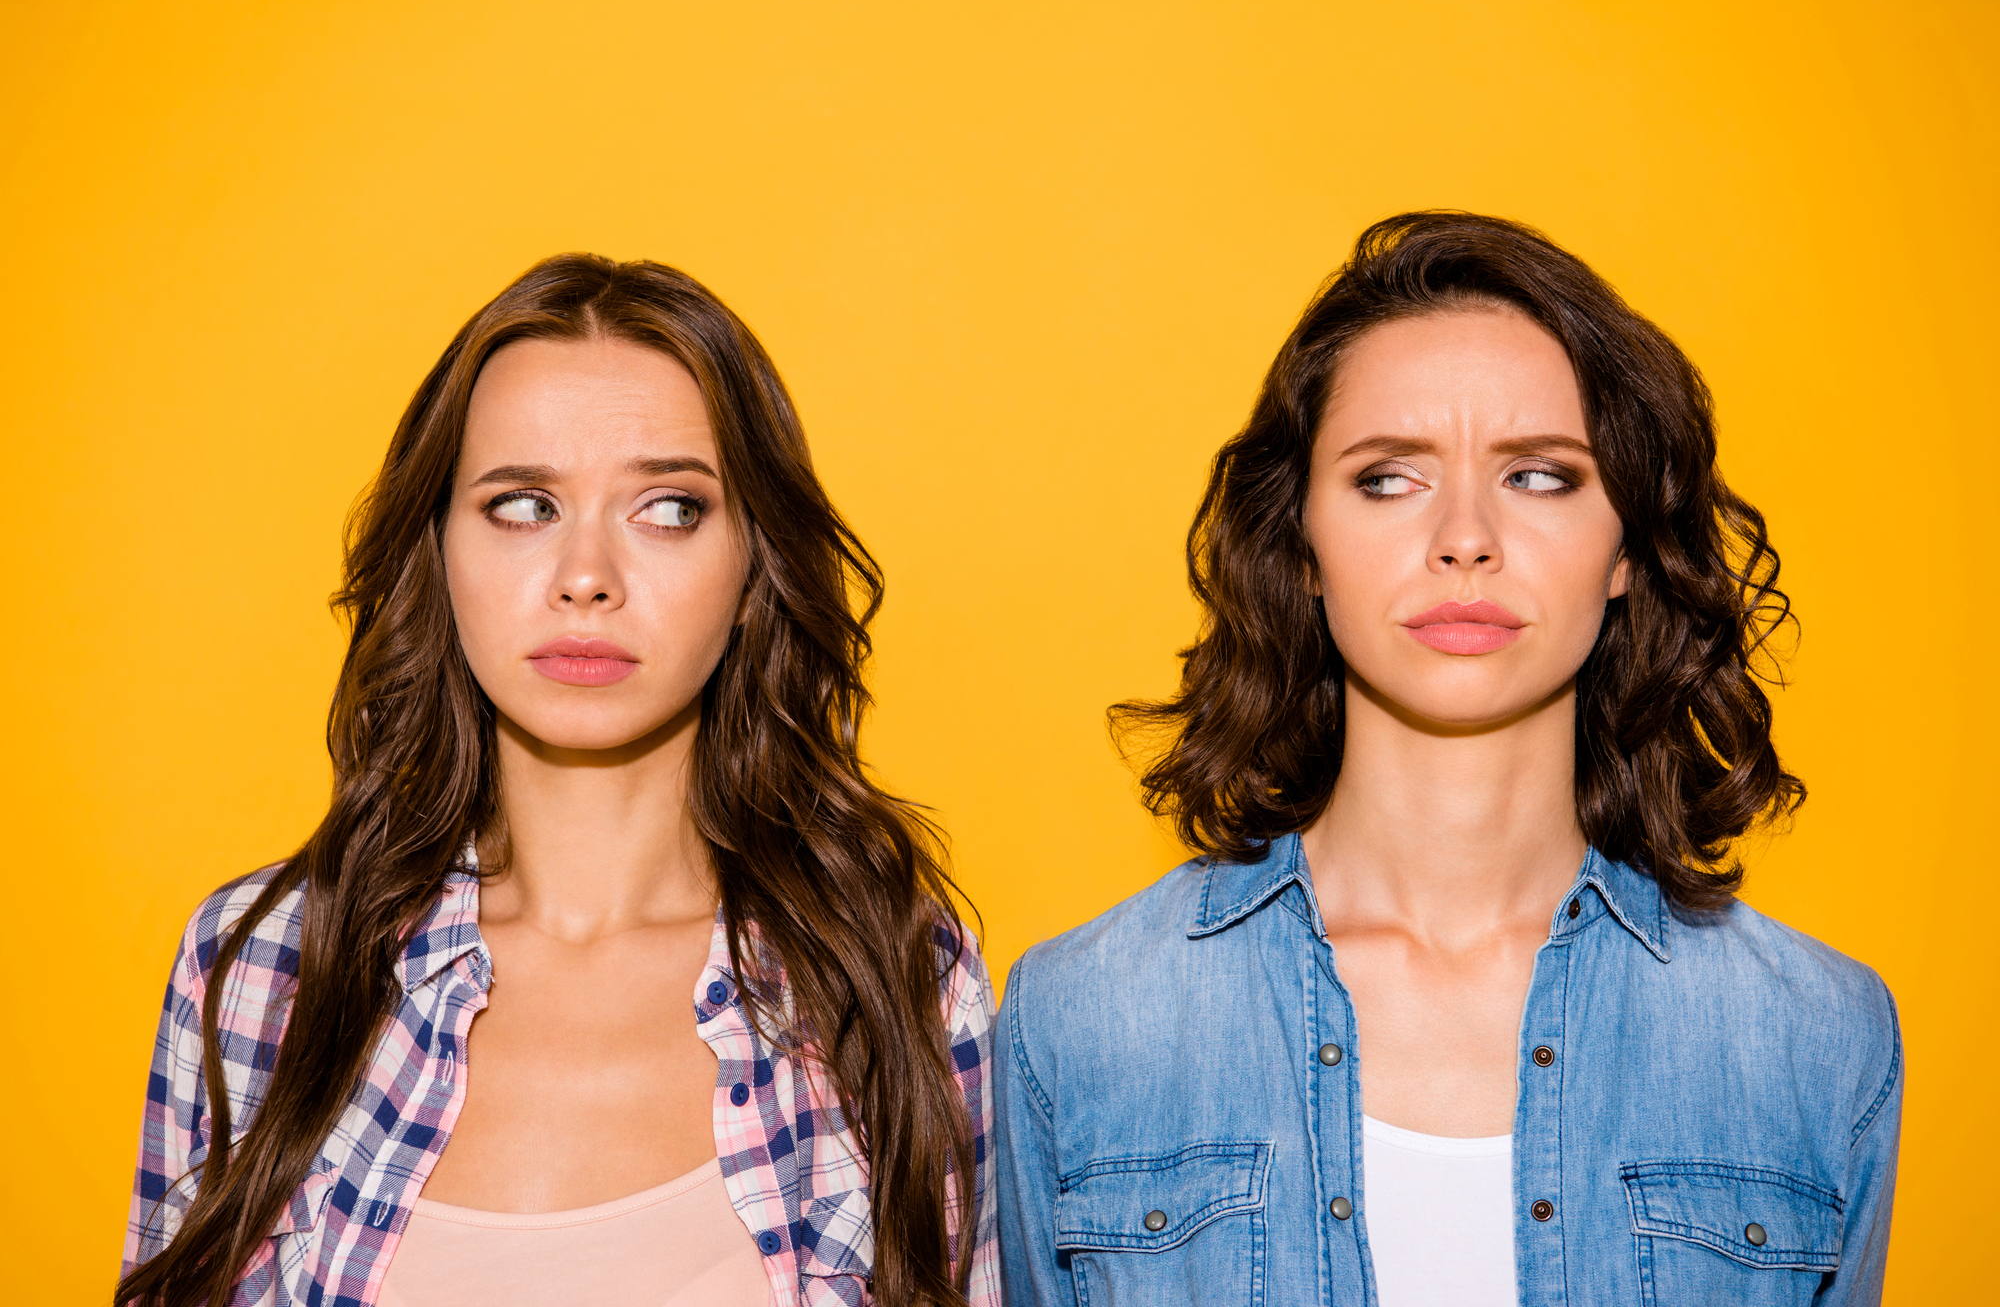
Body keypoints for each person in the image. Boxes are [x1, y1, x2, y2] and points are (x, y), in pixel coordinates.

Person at [995, 212, 1900, 1306]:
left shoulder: (1814, 1036)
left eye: (1539, 477)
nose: (1463, 537)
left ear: (1623, 549)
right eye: (1386, 478)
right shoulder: (1079, 1019)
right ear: (1302, 548)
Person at [118, 255, 997, 1307]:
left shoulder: (891, 975)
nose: (587, 576)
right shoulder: (265, 968)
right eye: (523, 504)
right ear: (437, 548)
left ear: (753, 563)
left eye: (668, 508)